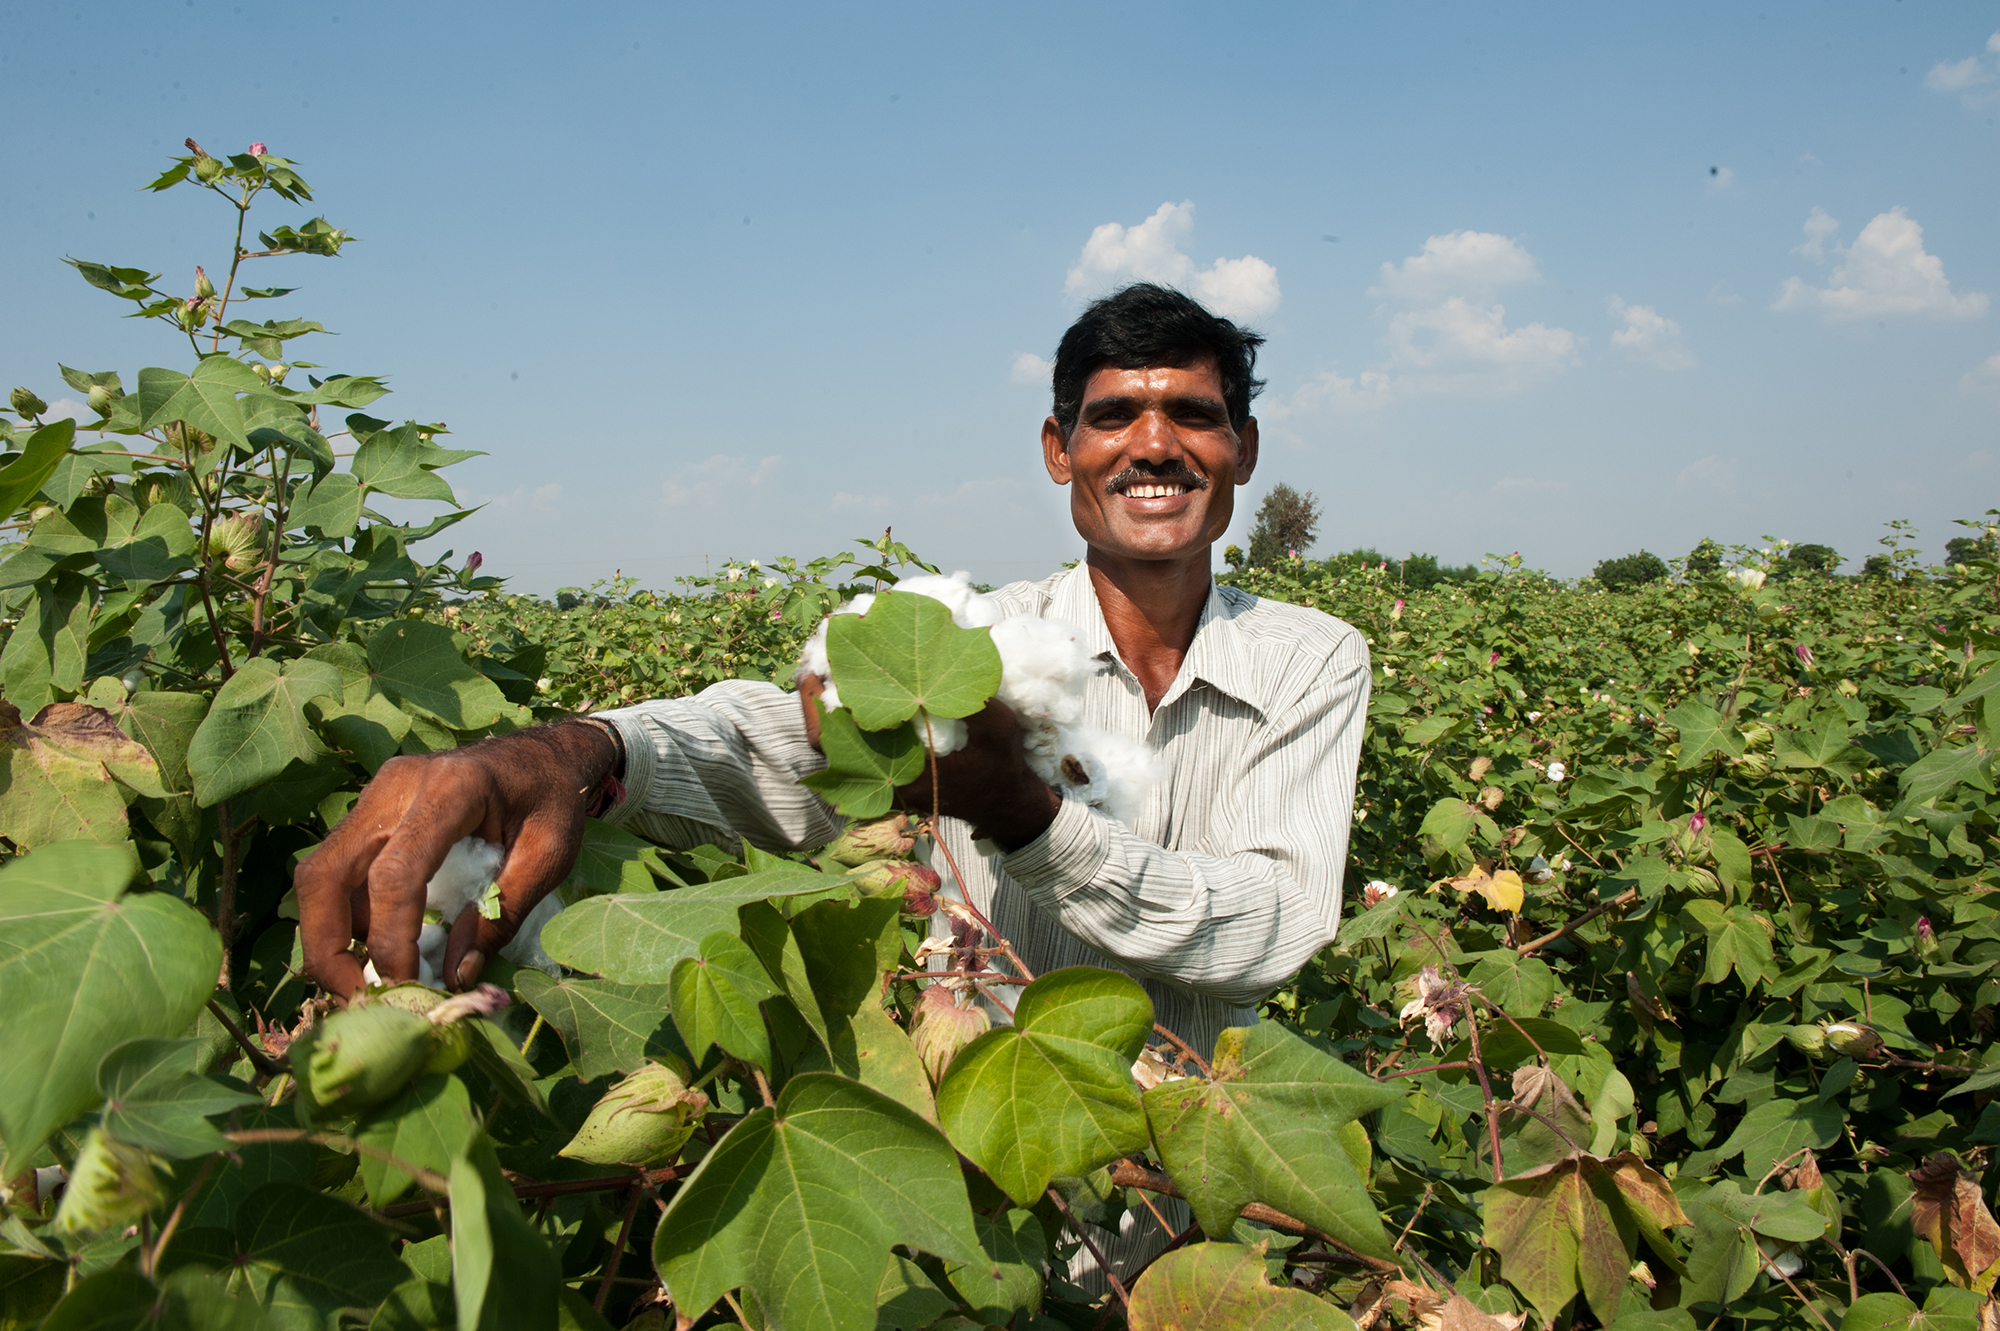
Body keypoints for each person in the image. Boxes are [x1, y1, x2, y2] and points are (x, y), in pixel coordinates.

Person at [296, 281, 1370, 1060]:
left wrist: (1022, 814)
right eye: (1110, 416)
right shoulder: (970, 642)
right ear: (1057, 448)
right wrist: (578, 749)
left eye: (1191, 413)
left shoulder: (1309, 659)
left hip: (1190, 1198)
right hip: (984, 1199)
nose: (1152, 443)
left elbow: (1272, 922)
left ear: (1245, 446)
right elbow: (770, 740)